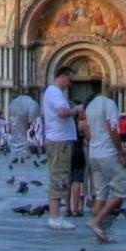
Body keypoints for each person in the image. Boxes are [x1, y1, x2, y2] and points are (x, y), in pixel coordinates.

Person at [81, 84, 126, 242]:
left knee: (100, 194)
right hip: (108, 154)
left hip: (94, 153)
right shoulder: (109, 104)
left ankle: (99, 234)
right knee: (122, 191)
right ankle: (96, 221)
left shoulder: (90, 107)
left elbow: (88, 132)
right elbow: (113, 129)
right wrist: (121, 152)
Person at [40, 68, 79, 227]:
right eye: (70, 80)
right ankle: (55, 218)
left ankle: (55, 216)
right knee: (59, 176)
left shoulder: (55, 92)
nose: (70, 84)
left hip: (59, 141)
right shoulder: (54, 92)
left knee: (60, 176)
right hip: (59, 142)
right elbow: (62, 112)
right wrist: (77, 110)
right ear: (62, 76)